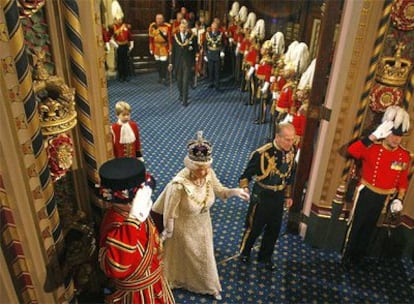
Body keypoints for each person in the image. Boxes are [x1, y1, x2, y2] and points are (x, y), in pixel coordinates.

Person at [152, 131, 249, 301]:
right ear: (190, 166)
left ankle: (208, 286)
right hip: (182, 227)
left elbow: (220, 191)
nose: (205, 172)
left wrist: (235, 192)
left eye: (206, 168)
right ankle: (193, 283)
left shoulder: (209, 174)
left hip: (204, 224)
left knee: (205, 256)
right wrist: (168, 232)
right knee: (189, 257)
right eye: (200, 169)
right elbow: (170, 212)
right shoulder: (178, 185)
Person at [98, 157, 175, 303]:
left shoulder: (134, 212)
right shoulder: (117, 223)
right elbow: (117, 267)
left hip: (154, 284)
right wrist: (133, 219)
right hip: (137, 296)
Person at [342, 106, 410, 269]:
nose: (396, 139)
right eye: (393, 134)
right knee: (357, 226)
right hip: (366, 193)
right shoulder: (373, 147)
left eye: (399, 136)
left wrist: (399, 199)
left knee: (370, 229)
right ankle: (347, 257)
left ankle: (359, 258)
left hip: (384, 198)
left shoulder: (403, 155)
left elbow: (402, 180)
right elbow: (352, 151)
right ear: (385, 132)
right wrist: (372, 137)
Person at [239, 123, 297, 271]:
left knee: (274, 229)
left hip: (278, 196)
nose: (291, 143)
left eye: (292, 139)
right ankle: (245, 252)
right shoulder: (262, 153)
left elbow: (290, 175)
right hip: (262, 195)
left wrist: (288, 195)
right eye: (287, 139)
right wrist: (245, 189)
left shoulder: (291, 150)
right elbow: (246, 175)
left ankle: (265, 256)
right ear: (277, 137)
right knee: (254, 227)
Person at [169, 20, 197, 106]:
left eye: (185, 27)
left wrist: (194, 63)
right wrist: (171, 63)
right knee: (179, 80)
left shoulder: (192, 37)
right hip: (178, 62)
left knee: (185, 81)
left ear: (187, 28)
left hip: (187, 63)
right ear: (179, 28)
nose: (183, 29)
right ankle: (181, 94)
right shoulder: (175, 37)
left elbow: (195, 51)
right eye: (182, 27)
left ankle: (185, 100)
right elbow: (173, 52)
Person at [108, 9, 134, 82]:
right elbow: (111, 38)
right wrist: (116, 45)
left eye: (121, 19)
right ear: (115, 20)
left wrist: (131, 45)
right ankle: (121, 76)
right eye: (118, 19)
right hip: (119, 46)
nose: (120, 21)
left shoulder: (125, 26)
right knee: (120, 62)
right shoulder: (113, 27)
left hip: (125, 46)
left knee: (126, 61)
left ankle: (126, 76)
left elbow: (129, 36)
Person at [149, 14, 172, 85]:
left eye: (160, 18)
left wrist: (170, 48)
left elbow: (170, 39)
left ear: (163, 19)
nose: (158, 20)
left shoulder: (168, 26)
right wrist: (151, 48)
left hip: (164, 47)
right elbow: (151, 38)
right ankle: (160, 76)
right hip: (156, 47)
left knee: (164, 63)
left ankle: (164, 77)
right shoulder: (152, 26)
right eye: (157, 18)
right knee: (158, 63)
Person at [204, 21, 225, 90]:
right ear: (211, 28)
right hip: (210, 53)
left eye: (215, 28)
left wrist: (222, 51)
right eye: (213, 28)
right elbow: (205, 45)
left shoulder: (221, 34)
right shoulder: (208, 34)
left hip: (217, 53)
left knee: (217, 70)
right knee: (210, 70)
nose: (214, 29)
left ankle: (217, 84)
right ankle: (211, 83)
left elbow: (223, 44)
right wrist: (205, 54)